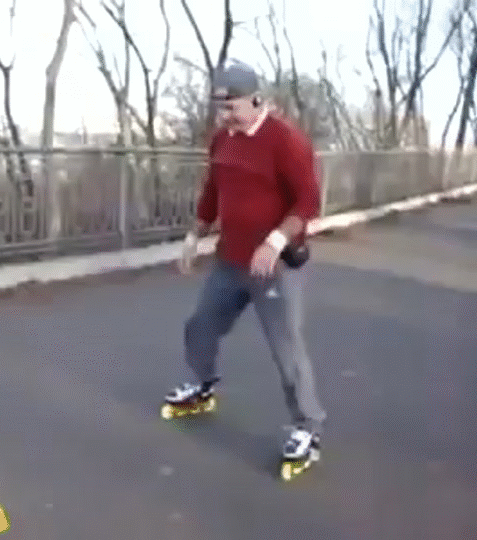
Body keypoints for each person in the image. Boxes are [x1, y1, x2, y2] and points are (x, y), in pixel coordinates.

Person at [164, 59, 327, 463]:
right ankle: (202, 384)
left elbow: (308, 200)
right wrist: (194, 235)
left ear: (256, 100)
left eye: (231, 108)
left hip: (275, 267)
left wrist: (274, 241)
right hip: (230, 261)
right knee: (200, 327)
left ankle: (308, 428)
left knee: (286, 349)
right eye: (220, 109)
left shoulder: (286, 140)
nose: (225, 117)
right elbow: (213, 191)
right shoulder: (223, 139)